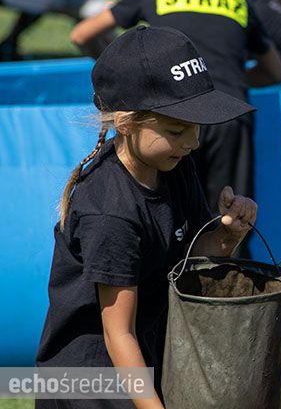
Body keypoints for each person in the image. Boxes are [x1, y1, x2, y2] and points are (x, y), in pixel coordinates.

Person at [36, 25, 259, 408]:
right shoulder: (111, 212)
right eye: (177, 129)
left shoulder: (174, 167)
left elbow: (187, 254)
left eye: (197, 126)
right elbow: (117, 332)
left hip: (141, 358)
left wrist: (227, 235)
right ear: (126, 123)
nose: (193, 142)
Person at [70, 0, 281, 212]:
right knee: (229, 218)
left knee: (169, 217)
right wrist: (224, 79)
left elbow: (82, 34)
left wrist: (129, 76)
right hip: (228, 114)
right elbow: (275, 72)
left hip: (171, 116)